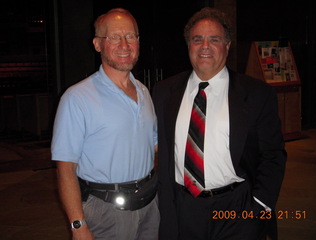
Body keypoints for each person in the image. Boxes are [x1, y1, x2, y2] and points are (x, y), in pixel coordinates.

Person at [152, 7, 286, 240]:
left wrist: (259, 206)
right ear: (188, 46)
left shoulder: (256, 94)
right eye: (197, 39)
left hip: (237, 208)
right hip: (183, 206)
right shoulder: (164, 92)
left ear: (227, 45)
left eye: (214, 39)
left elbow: (273, 155)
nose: (205, 46)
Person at [51, 8, 159, 240]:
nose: (124, 44)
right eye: (114, 37)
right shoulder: (77, 98)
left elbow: (154, 147)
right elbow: (66, 168)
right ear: (97, 44)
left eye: (131, 36)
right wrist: (78, 226)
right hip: (107, 212)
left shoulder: (144, 92)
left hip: (150, 206)